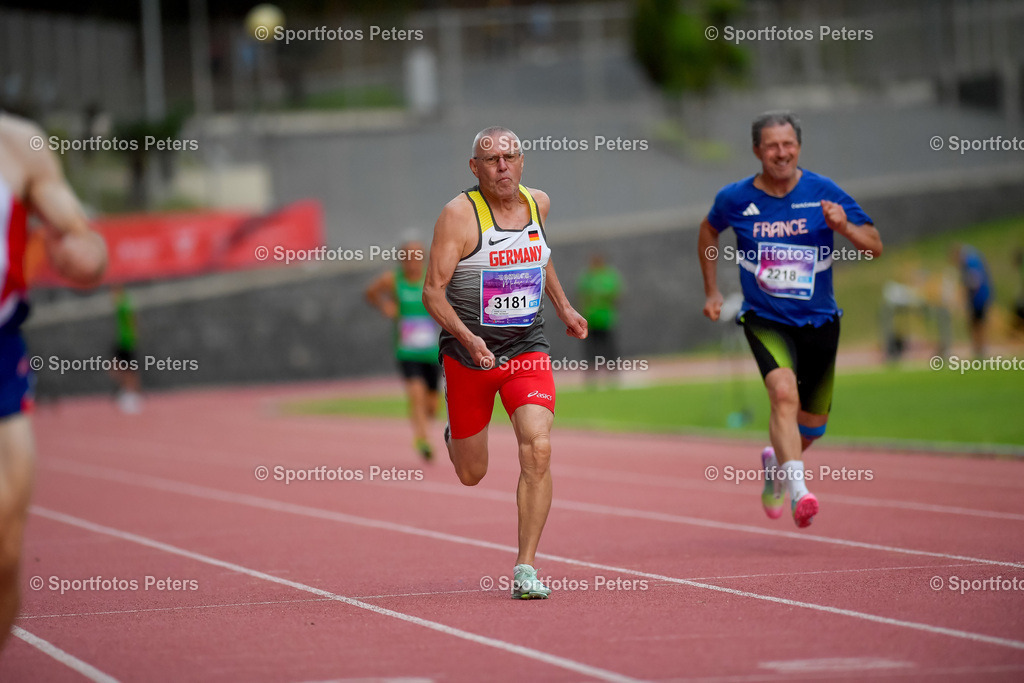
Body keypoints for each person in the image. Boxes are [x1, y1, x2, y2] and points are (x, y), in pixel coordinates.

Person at [422, 126, 587, 599]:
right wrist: (468, 337)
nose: (502, 167)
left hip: (527, 347)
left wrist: (563, 306)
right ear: (474, 168)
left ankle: (526, 568)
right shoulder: (458, 216)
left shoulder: (538, 203)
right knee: (472, 473)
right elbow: (432, 291)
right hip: (469, 353)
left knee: (537, 446)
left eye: (510, 157)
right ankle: (455, 433)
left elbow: (541, 255)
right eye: (492, 160)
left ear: (522, 161)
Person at [697, 111, 882, 529]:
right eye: (772, 146)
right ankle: (800, 492)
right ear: (757, 151)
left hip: (819, 320)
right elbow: (709, 232)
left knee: (812, 428)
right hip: (765, 316)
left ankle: (778, 467)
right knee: (782, 394)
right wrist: (711, 290)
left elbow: (875, 245)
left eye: (788, 144)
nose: (781, 153)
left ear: (798, 146)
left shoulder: (823, 191)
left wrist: (845, 227)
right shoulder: (735, 198)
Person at [0, 111, 107, 653]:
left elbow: (79, 235)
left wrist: (86, 254)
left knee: (5, 549)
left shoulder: (20, 145)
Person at [365, 239, 441, 461]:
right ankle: (423, 438)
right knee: (415, 393)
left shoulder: (432, 277)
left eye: (417, 257)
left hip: (431, 351)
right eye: (408, 258)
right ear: (402, 260)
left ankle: (425, 427)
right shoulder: (393, 280)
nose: (412, 262)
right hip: (407, 351)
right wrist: (384, 305)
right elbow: (371, 292)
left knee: (432, 406)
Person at [577, 252, 623, 386]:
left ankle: (612, 374)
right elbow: (582, 296)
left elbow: (616, 295)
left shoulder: (608, 276)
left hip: (605, 318)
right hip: (591, 319)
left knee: (609, 347)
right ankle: (592, 375)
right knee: (591, 349)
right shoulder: (587, 277)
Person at [950, 244, 993, 356]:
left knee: (977, 324)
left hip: (979, 298)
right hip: (979, 297)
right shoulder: (971, 260)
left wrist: (965, 297)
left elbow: (974, 282)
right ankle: (978, 349)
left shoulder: (970, 263)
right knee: (976, 324)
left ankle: (980, 349)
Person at [111, 284, 143, 414]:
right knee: (119, 367)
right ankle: (127, 391)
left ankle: (132, 394)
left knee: (129, 370)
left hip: (127, 341)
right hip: (122, 340)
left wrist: (134, 336)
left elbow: (133, 319)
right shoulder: (121, 305)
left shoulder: (124, 305)